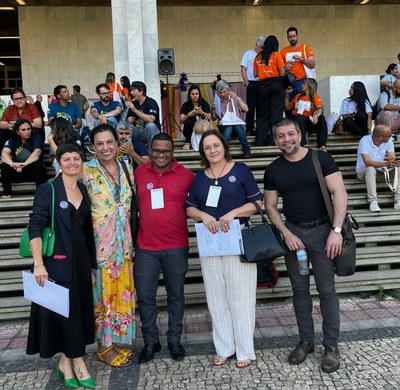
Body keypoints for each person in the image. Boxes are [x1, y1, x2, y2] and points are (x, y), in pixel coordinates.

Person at [264, 118, 347, 374]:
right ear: (275, 140)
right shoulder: (273, 169)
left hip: (324, 232)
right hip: (294, 236)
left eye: (290, 134)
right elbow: (270, 206)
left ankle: (331, 346)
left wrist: (336, 231)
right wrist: (286, 233)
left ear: (299, 135)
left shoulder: (320, 160)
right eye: (280, 136)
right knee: (300, 292)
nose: (286, 139)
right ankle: (306, 341)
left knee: (326, 291)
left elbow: (340, 193)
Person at [186, 129, 263, 369]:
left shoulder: (240, 170)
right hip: (210, 243)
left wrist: (233, 213)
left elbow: (256, 203)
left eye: (216, 145)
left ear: (224, 146)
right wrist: (203, 215)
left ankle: (244, 350)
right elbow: (189, 209)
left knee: (241, 297)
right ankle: (224, 347)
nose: (212, 150)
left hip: (237, 240)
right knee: (216, 297)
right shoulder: (200, 177)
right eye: (207, 147)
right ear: (203, 152)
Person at [26, 142, 97, 389]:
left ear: (82, 161)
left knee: (77, 312)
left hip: (81, 261)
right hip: (56, 262)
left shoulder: (82, 189)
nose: (72, 163)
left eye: (77, 158)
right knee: (65, 314)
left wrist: (92, 263)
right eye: (66, 159)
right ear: (58, 161)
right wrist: (38, 265)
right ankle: (77, 363)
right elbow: (35, 227)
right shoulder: (49, 190)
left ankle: (66, 362)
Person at [134, 133, 194, 363]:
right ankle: (151, 341)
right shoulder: (138, 173)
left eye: (166, 151)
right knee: (146, 297)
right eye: (157, 150)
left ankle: (174, 339)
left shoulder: (187, 176)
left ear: (173, 152)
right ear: (150, 150)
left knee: (176, 295)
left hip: (176, 247)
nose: (161, 155)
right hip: (145, 247)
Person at [82, 124, 135, 367]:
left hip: (123, 244)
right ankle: (103, 347)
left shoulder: (126, 166)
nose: (105, 148)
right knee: (102, 296)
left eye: (109, 142)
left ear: (117, 142)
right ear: (92, 147)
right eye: (99, 144)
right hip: (99, 245)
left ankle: (114, 339)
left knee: (120, 294)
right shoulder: (84, 170)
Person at [356, 124, 400, 212]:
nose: (391, 137)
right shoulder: (364, 141)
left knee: (398, 168)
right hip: (364, 172)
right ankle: (373, 201)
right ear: (380, 137)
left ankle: (398, 200)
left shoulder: (389, 140)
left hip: (381, 171)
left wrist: (394, 162)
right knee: (371, 168)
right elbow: (367, 162)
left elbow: (392, 157)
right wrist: (386, 163)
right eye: (389, 135)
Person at [1, 119, 47, 198]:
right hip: (17, 171)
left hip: (31, 172)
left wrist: (25, 163)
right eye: (23, 130)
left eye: (29, 129)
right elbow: (4, 153)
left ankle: (41, 193)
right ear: (17, 132)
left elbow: (37, 152)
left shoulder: (35, 137)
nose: (27, 132)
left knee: (38, 166)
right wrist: (12, 164)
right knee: (4, 165)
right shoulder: (13, 139)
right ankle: (7, 193)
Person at [253, 35, 285, 146]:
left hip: (262, 86)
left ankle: (260, 141)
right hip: (276, 84)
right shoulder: (276, 55)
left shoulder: (258, 57)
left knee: (263, 115)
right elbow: (282, 72)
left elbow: (255, 74)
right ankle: (273, 141)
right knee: (276, 114)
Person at [212, 79, 252, 158]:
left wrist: (237, 97)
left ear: (229, 90)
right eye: (220, 92)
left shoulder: (235, 98)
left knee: (236, 125)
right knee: (230, 126)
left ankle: (246, 149)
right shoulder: (217, 101)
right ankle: (224, 150)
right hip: (224, 127)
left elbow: (246, 109)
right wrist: (212, 109)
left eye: (224, 91)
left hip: (237, 128)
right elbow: (213, 118)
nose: (223, 94)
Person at [284, 78, 328, 151]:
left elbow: (320, 108)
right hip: (297, 121)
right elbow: (287, 108)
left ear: (309, 86)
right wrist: (286, 94)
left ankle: (322, 145)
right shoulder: (298, 96)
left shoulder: (315, 96)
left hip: (309, 122)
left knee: (322, 118)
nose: (302, 85)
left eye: (304, 83)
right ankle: (302, 144)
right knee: (300, 117)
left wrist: (316, 115)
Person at [281, 27, 315, 104]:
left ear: (297, 36)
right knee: (288, 106)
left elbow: (312, 64)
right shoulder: (283, 51)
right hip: (288, 82)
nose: (292, 38)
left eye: (294, 36)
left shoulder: (305, 47)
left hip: (302, 81)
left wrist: (301, 59)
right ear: (287, 38)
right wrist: (285, 68)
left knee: (302, 105)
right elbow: (280, 69)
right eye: (290, 37)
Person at [240, 36, 265, 135]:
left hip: (261, 83)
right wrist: (246, 82)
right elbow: (243, 69)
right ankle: (249, 129)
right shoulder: (248, 54)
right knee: (250, 107)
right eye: (261, 47)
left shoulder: (263, 55)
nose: (262, 49)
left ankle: (259, 129)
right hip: (251, 82)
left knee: (261, 107)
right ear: (256, 45)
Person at [126, 81, 160, 145]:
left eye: (133, 90)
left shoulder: (151, 102)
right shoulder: (134, 104)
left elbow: (151, 119)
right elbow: (127, 120)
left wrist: (135, 110)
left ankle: (153, 151)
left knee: (150, 126)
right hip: (138, 132)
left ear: (141, 92)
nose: (131, 93)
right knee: (129, 127)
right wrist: (128, 120)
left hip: (151, 133)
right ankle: (128, 151)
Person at [180, 84, 211, 150]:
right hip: (189, 130)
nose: (195, 96)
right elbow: (181, 121)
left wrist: (202, 113)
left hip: (202, 129)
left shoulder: (204, 104)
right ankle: (188, 142)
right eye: (193, 94)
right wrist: (189, 114)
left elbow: (209, 118)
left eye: (197, 94)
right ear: (189, 95)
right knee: (189, 121)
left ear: (199, 94)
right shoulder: (186, 105)